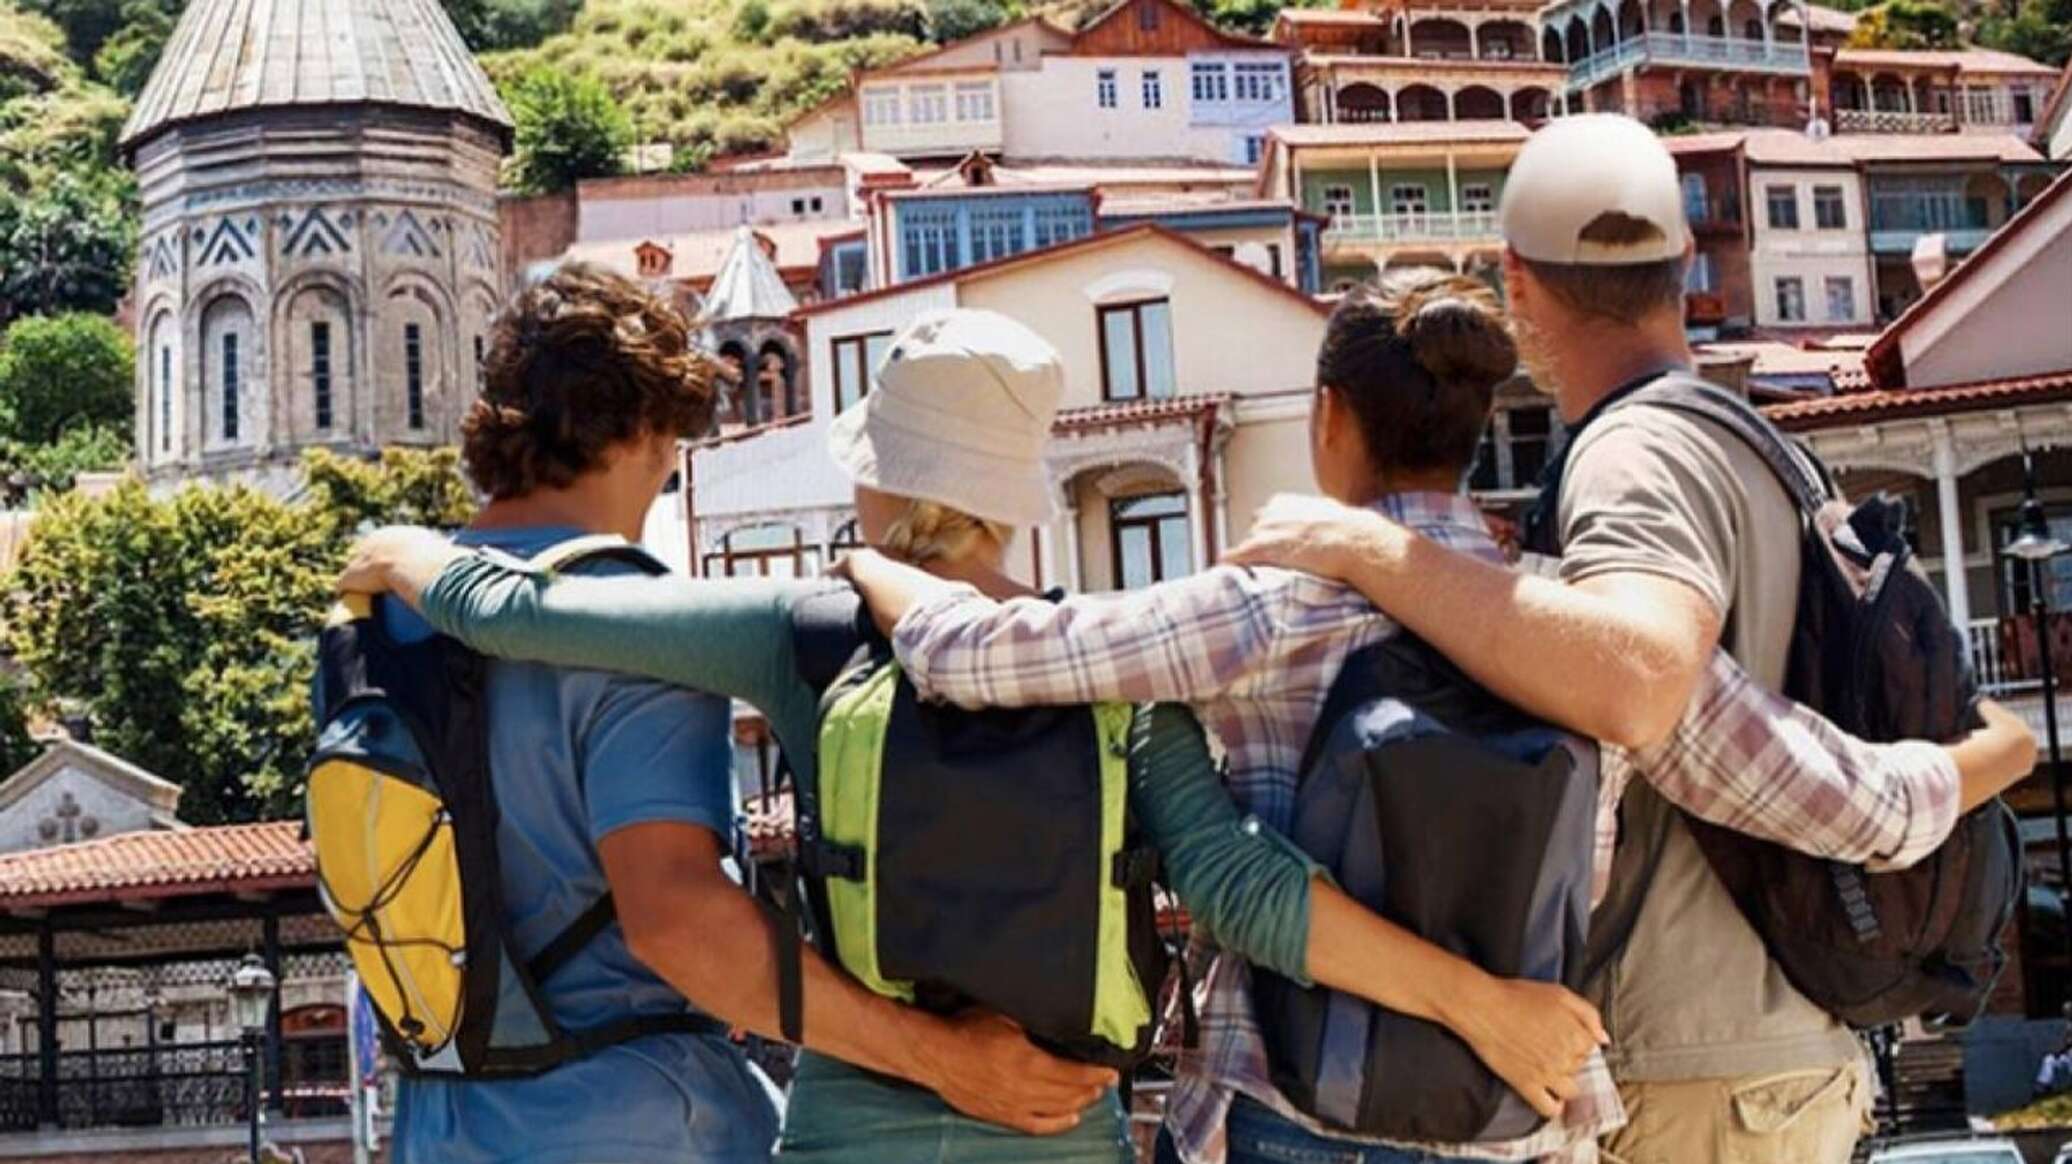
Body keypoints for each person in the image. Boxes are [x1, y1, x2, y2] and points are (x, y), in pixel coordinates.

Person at [337, 307, 1607, 1164]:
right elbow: (1237, 887)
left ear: (878, 474)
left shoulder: (799, 630)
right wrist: (1478, 1002)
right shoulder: (1100, 662)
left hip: (851, 1127)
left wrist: (407, 556)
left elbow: (528, 613)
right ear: (1012, 495)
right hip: (1064, 1123)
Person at [831, 272, 2034, 1164]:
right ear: (1471, 432)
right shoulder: (1577, 638)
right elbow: (1862, 810)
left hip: (1287, 1115)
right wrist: (1997, 748)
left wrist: (868, 565)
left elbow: (964, 655)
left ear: (1328, 418)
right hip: (1508, 1124)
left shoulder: (1263, 606)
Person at [1210, 115, 2039, 1163]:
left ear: (1515, 281)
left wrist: (1371, 551)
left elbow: (1639, 683)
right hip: (1775, 1053)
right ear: (1686, 257)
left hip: (1686, 1066)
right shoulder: (1752, 444)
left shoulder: (1629, 456)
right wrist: (1990, 753)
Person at [374, 269, 1119, 1164]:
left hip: (435, 1124)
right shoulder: (639, 624)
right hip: (639, 1122)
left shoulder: (373, 621)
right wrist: (943, 1059)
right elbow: (677, 921)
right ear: (649, 430)